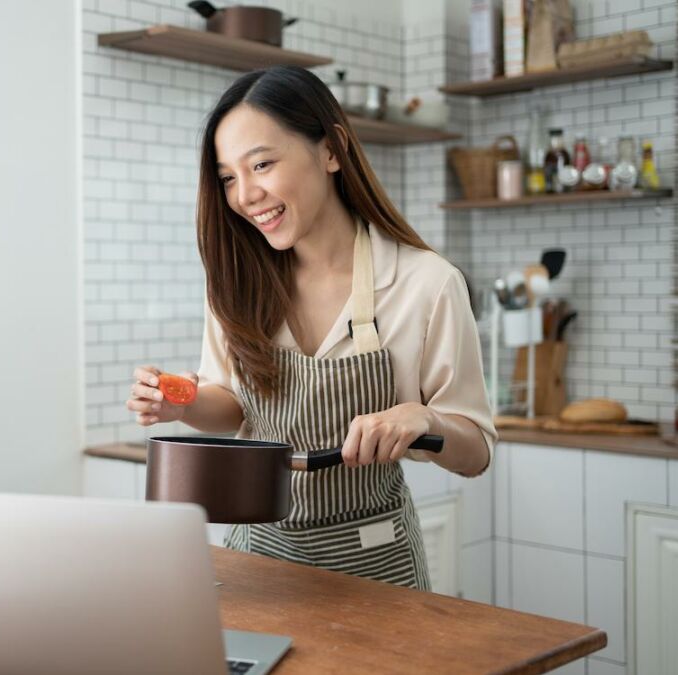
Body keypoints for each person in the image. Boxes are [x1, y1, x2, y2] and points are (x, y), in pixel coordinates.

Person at [126, 66, 495, 590]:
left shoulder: (427, 284)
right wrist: (182, 404)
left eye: (262, 164)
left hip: (377, 569)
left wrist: (424, 420)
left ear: (331, 151)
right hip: (257, 562)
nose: (245, 194)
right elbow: (233, 405)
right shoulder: (235, 282)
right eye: (229, 177)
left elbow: (476, 451)